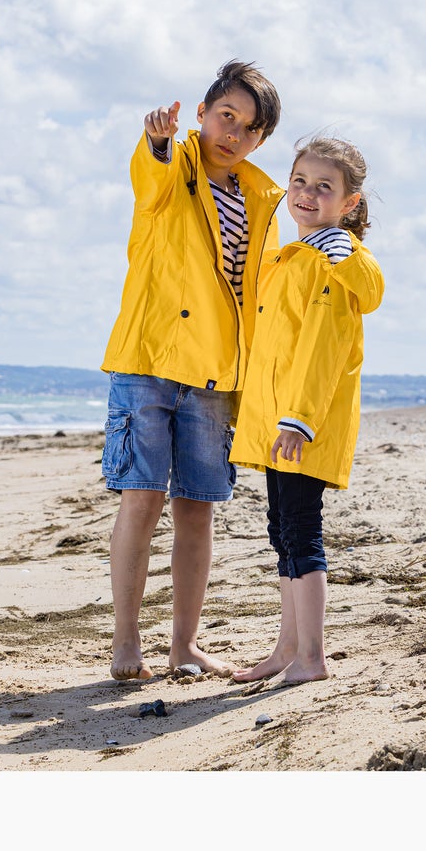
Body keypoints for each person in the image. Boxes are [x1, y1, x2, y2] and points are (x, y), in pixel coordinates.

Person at [100, 60, 283, 681]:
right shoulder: (171, 166)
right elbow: (146, 181)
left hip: (215, 378)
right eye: (225, 115)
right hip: (149, 359)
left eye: (249, 127)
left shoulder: (261, 200)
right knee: (142, 499)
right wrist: (155, 141)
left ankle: (184, 646)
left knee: (197, 509)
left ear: (260, 141)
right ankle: (127, 644)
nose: (232, 133)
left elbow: (257, 294)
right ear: (202, 114)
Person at [229, 135, 385, 687]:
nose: (307, 193)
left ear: (349, 204)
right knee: (283, 531)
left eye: (325, 187)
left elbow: (323, 351)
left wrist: (297, 420)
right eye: (299, 181)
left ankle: (312, 657)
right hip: (280, 420)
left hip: (303, 424)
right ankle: (287, 647)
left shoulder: (331, 261)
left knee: (301, 531)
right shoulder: (290, 257)